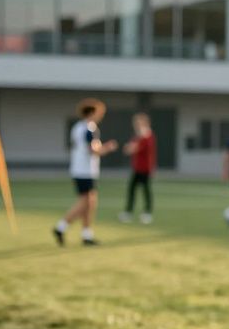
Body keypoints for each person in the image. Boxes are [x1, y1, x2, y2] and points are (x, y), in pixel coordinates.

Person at [54, 98, 117, 246]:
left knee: (90, 202)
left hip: (80, 169)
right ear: (92, 113)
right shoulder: (89, 129)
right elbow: (93, 151)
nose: (101, 116)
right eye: (99, 112)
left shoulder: (78, 127)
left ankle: (86, 234)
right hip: (85, 171)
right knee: (86, 203)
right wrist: (108, 148)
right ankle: (61, 227)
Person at [120, 112, 156, 224]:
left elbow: (133, 148)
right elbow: (129, 148)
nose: (136, 125)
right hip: (137, 168)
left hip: (145, 168)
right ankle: (128, 212)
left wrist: (131, 148)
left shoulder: (147, 135)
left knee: (146, 191)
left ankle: (147, 213)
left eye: (138, 123)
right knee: (132, 190)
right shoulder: (138, 136)